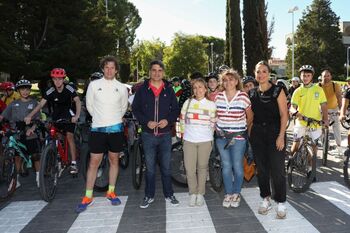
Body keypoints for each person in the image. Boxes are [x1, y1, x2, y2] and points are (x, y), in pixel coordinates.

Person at [75, 56, 128, 213]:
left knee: (114, 161)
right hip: (97, 129)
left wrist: (113, 119)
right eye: (106, 67)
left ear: (116, 70)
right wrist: (100, 118)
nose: (109, 70)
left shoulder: (122, 87)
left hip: (116, 129)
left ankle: (111, 192)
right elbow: (89, 105)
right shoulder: (94, 85)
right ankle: (88, 196)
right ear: (103, 69)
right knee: (93, 162)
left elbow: (124, 107)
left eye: (112, 67)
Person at [132, 60, 180, 209]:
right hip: (148, 134)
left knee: (166, 167)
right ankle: (149, 195)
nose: (157, 73)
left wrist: (169, 120)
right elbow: (135, 109)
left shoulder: (169, 89)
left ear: (163, 72)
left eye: (160, 70)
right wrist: (146, 122)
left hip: (165, 134)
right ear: (149, 72)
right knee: (150, 168)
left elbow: (175, 109)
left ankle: (169, 194)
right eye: (154, 70)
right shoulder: (142, 89)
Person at [248, 61, 288, 219]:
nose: (261, 75)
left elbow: (285, 114)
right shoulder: (251, 93)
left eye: (264, 71)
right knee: (262, 170)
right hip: (258, 134)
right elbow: (250, 118)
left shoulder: (278, 90)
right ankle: (266, 198)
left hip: (275, 133)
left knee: (277, 170)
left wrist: (281, 136)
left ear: (269, 73)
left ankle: (281, 202)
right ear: (255, 73)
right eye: (258, 72)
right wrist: (249, 134)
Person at [24, 68, 81, 175]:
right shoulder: (50, 91)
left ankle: (73, 163)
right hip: (56, 115)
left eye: (60, 79)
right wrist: (29, 115)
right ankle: (57, 155)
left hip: (69, 114)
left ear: (63, 79)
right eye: (55, 79)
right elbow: (40, 104)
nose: (57, 82)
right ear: (52, 80)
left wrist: (77, 115)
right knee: (55, 135)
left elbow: (77, 101)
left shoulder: (69, 88)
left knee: (69, 136)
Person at [215, 69, 253, 208]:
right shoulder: (218, 97)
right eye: (225, 80)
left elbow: (250, 117)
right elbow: (215, 115)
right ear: (222, 82)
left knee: (237, 165)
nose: (228, 82)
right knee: (226, 166)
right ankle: (228, 193)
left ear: (237, 81)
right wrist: (216, 128)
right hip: (222, 138)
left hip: (238, 138)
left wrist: (242, 130)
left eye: (231, 79)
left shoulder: (243, 96)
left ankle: (236, 192)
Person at [180, 78, 216, 207]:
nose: (198, 90)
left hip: (205, 141)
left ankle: (200, 193)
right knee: (189, 169)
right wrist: (182, 138)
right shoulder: (187, 103)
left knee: (202, 168)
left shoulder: (211, 104)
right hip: (189, 140)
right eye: (195, 87)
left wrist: (209, 137)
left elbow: (213, 123)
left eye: (200, 87)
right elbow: (182, 120)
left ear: (205, 89)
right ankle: (192, 193)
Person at [0, 80, 41, 188]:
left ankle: (38, 177)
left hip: (30, 131)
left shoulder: (34, 103)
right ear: (18, 91)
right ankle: (15, 180)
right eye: (23, 89)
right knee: (17, 156)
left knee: (35, 155)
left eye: (27, 89)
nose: (25, 92)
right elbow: (2, 116)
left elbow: (37, 120)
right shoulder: (13, 104)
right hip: (17, 132)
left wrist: (32, 128)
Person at [290, 65, 328, 176]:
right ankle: (291, 163)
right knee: (296, 145)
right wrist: (296, 113)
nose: (305, 77)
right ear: (300, 76)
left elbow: (324, 105)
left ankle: (311, 169)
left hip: (315, 122)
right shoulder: (297, 91)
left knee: (313, 147)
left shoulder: (319, 90)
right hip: (301, 122)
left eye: (308, 75)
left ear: (312, 76)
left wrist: (326, 119)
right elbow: (292, 107)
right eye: (303, 75)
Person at [320, 69, 342, 154]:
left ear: (331, 76)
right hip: (321, 109)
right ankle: (324, 144)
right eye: (324, 76)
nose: (326, 77)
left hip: (333, 108)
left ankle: (339, 146)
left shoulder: (335, 85)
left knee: (336, 127)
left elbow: (339, 97)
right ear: (321, 77)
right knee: (320, 127)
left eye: (328, 75)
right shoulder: (318, 86)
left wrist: (340, 110)